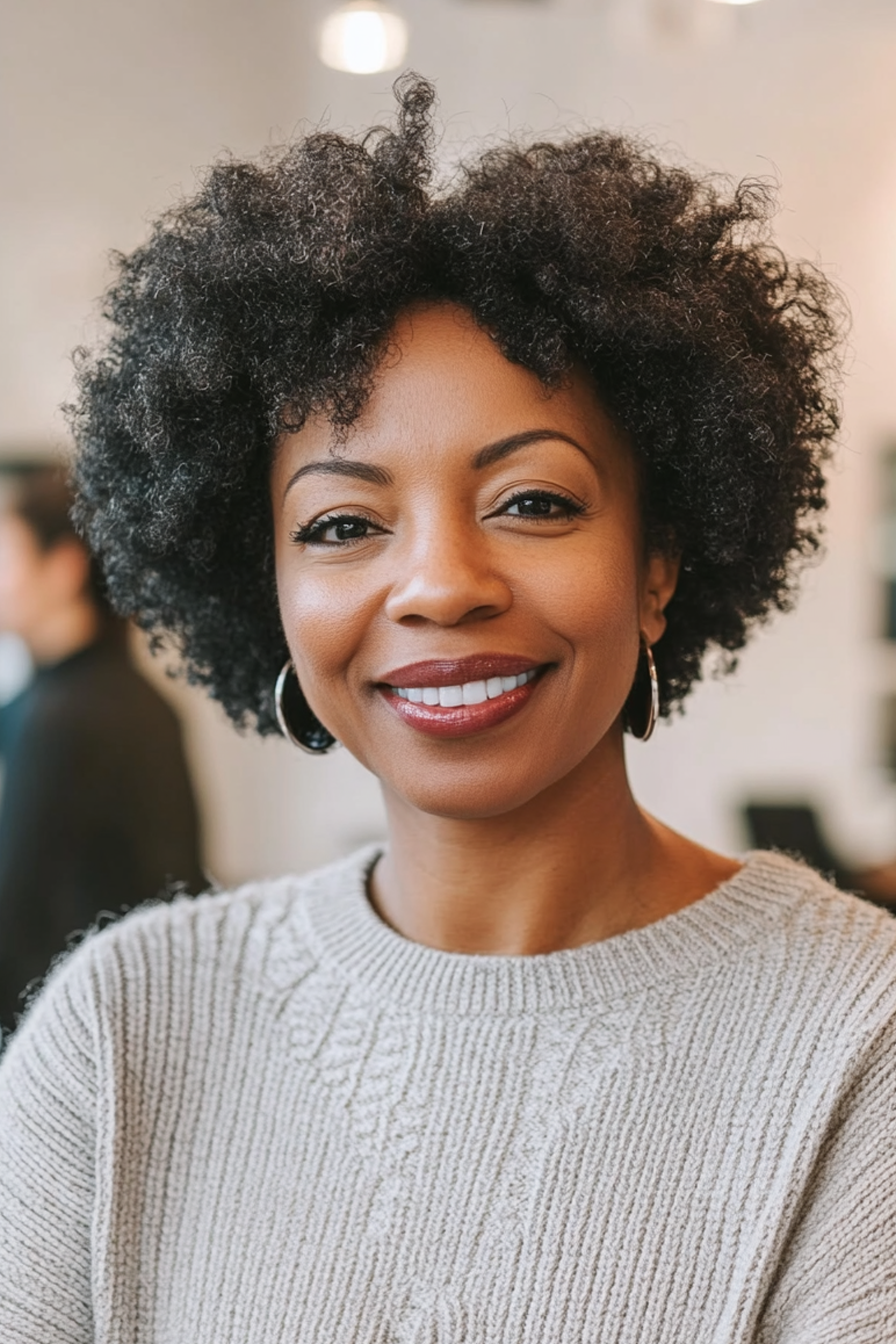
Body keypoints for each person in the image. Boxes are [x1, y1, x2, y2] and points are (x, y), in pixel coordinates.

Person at [1, 75, 893, 1341]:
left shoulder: (857, 1043)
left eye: (531, 502)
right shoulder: (121, 1032)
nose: (437, 585)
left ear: (656, 566)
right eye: (341, 524)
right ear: (266, 586)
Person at [0, 460, 205, 1036]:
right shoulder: (122, 699)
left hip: (73, 1029)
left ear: (63, 568)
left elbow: (14, 911)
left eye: (6, 558)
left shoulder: (69, 717)